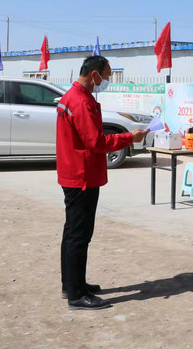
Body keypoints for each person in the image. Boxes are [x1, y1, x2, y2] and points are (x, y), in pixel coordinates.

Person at [57, 56, 149, 310]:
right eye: (106, 76)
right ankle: (76, 295)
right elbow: (96, 143)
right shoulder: (81, 101)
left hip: (74, 172)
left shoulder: (73, 97)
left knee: (72, 233)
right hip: (82, 175)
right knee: (79, 235)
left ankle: (72, 284)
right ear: (94, 74)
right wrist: (129, 138)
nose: (107, 81)